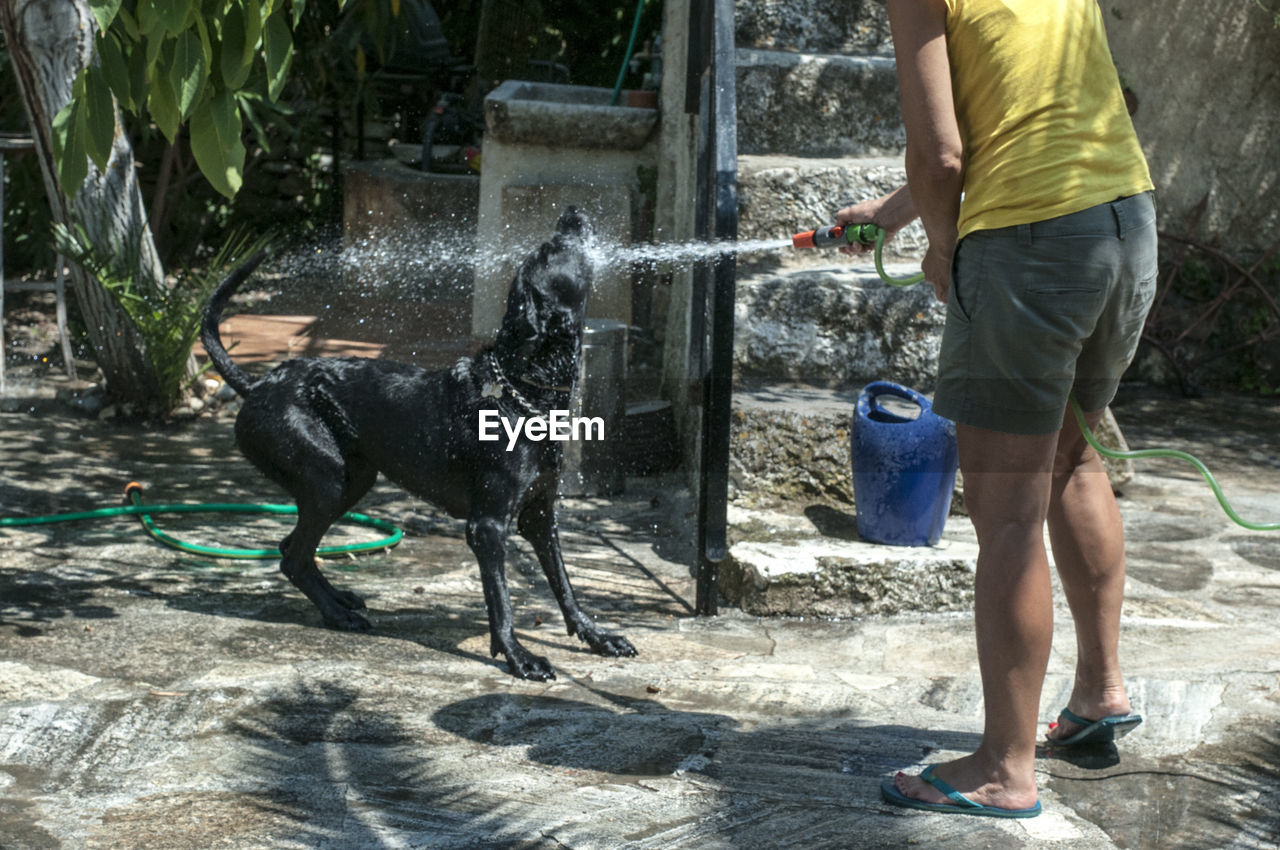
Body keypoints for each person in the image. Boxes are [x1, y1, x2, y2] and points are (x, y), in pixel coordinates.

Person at [837, 0, 1157, 817]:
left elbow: (942, 155)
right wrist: (896, 211)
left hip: (1029, 245)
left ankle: (1004, 768)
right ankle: (1100, 694)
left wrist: (944, 247)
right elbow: (1028, 113)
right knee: (1072, 460)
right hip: (1122, 224)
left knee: (1007, 513)